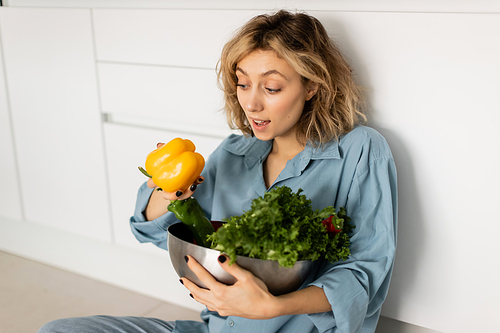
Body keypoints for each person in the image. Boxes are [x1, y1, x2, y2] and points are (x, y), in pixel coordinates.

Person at [39, 9, 397, 333]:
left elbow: (365, 271)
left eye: (271, 87)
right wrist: (169, 191)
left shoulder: (360, 150)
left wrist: (273, 306)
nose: (251, 102)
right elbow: (152, 230)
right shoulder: (233, 151)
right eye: (243, 83)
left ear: (312, 86)